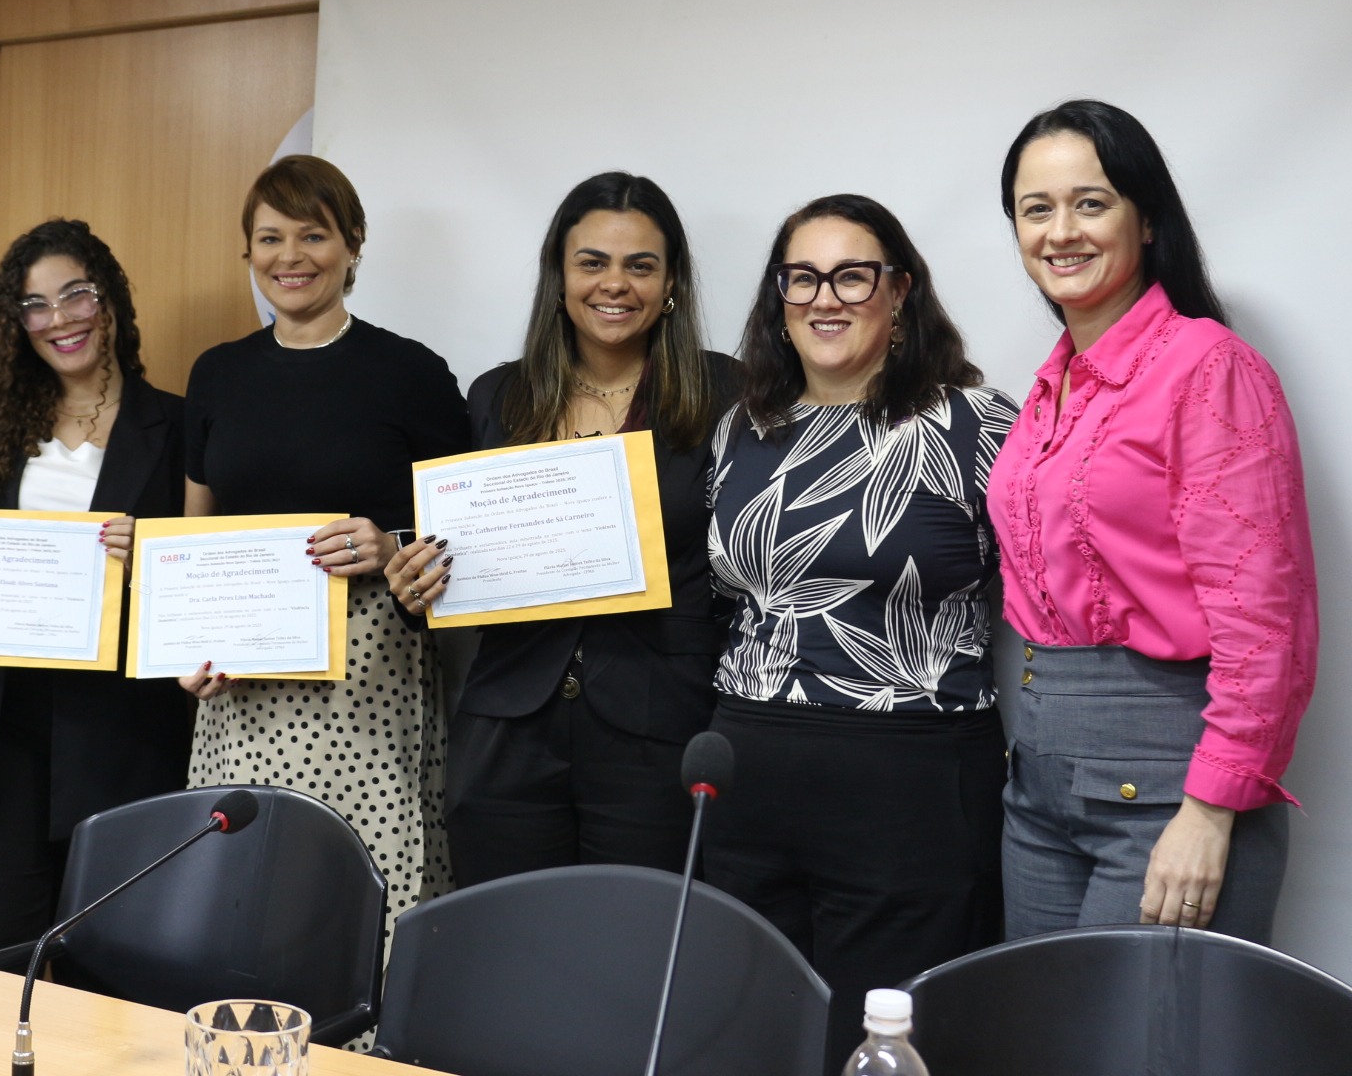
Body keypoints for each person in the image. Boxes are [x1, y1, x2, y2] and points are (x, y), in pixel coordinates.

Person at [700, 193, 1016, 1067]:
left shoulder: (975, 424)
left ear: (900, 290)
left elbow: (1045, 595)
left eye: (852, 276)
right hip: (748, 766)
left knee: (883, 1043)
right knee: (748, 1033)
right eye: (802, 277)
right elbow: (728, 599)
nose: (824, 298)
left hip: (910, 776)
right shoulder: (742, 426)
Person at [989, 99, 1316, 942]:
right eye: (1036, 209)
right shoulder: (1048, 390)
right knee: (1042, 1019)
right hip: (1039, 787)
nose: (1061, 231)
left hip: (1169, 792)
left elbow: (1264, 621)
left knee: (1148, 1023)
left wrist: (1210, 809)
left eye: (1090, 203)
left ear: (1146, 220)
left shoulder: (1209, 370)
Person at [384, 171, 738, 884]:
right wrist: (415, 583)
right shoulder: (498, 395)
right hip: (508, 727)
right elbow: (457, 553)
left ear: (671, 281)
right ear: (560, 275)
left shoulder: (726, 391)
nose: (616, 284)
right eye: (592, 262)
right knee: (509, 935)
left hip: (659, 725)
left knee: (637, 934)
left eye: (641, 265)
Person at [0, 220, 192, 959]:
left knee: (115, 986)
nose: (59, 319)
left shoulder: (179, 425)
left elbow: (206, 580)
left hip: (123, 751)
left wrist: (153, 557)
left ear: (109, 299)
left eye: (76, 294)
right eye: (35, 305)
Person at [179, 154, 471, 918]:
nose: (291, 257)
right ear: (248, 250)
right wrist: (188, 648)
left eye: (313, 235)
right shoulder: (216, 374)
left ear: (353, 245)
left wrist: (390, 545)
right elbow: (193, 537)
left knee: (362, 898)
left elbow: (466, 534)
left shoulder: (411, 372)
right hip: (241, 687)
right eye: (270, 238)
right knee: (241, 898)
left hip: (368, 679)